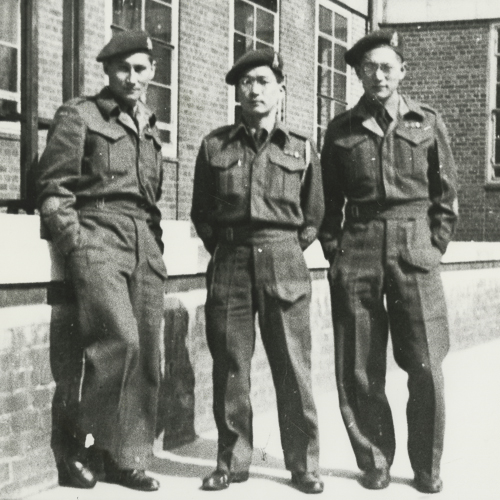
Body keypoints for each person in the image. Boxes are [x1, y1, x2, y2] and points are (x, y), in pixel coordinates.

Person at [319, 30, 458, 494]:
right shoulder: (340, 130)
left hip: (414, 245)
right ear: (357, 74)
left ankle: (427, 466)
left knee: (426, 364)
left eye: (386, 67)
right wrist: (335, 251)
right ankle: (375, 459)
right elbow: (327, 202)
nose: (378, 75)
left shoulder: (427, 123)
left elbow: (446, 197)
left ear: (402, 71)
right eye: (368, 68)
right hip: (357, 246)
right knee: (359, 364)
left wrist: (433, 246)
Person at [37, 30, 167, 492]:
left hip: (144, 247)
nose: (131, 78)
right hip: (98, 237)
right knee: (119, 342)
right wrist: (76, 246)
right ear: (107, 71)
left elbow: (152, 199)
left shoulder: (150, 124)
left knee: (148, 351)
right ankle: (79, 448)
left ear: (152, 72)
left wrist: (154, 246)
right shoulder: (80, 114)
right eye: (122, 69)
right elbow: (53, 188)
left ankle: (125, 457)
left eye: (140, 69)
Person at [191, 49, 325, 494]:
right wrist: (231, 247)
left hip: (284, 260)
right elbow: (202, 213)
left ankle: (304, 465)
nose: (253, 89)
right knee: (231, 366)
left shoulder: (302, 147)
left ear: (280, 89)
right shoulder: (215, 146)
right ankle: (232, 461)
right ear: (237, 92)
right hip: (230, 262)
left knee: (292, 365)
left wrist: (282, 248)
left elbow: (313, 216)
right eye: (245, 82)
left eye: (263, 80)